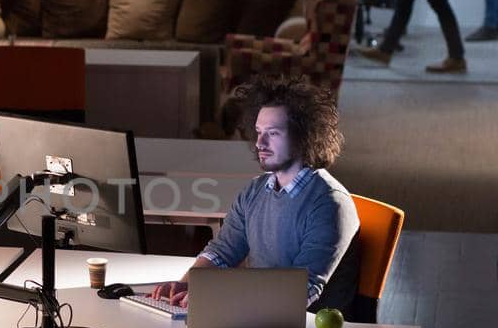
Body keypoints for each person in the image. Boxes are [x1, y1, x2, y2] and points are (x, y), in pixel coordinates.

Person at [152, 76, 360, 313]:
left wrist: (220, 296)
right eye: (259, 131)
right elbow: (222, 252)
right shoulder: (255, 191)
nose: (259, 142)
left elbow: (301, 290)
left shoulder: (330, 203)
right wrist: (186, 284)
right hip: (257, 314)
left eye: (272, 133)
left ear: (304, 137)